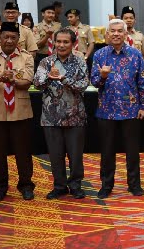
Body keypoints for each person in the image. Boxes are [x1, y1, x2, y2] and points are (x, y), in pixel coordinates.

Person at [91, 19, 144, 199]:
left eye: (119, 31)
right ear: (107, 34)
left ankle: (134, 185)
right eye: (112, 31)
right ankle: (106, 185)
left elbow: (143, 82)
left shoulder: (135, 54)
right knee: (107, 151)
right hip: (106, 110)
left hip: (131, 110)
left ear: (125, 34)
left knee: (132, 151)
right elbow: (94, 82)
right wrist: (102, 77)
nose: (116, 34)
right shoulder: (99, 55)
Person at [33, 28, 89, 200]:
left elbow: (84, 85)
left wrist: (63, 79)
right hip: (51, 117)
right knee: (55, 155)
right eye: (58, 42)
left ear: (73, 44)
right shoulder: (46, 62)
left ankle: (75, 185)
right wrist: (49, 77)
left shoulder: (79, 61)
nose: (61, 45)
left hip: (75, 116)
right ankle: (59, 186)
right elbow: (36, 84)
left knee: (75, 155)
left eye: (66, 42)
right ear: (54, 43)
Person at [0, 22, 35, 202]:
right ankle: (0, 187)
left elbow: (28, 82)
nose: (9, 40)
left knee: (23, 152)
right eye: (5, 37)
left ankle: (26, 186)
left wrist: (13, 80)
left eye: (13, 37)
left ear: (18, 39)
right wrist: (0, 77)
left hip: (20, 112)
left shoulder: (27, 57)